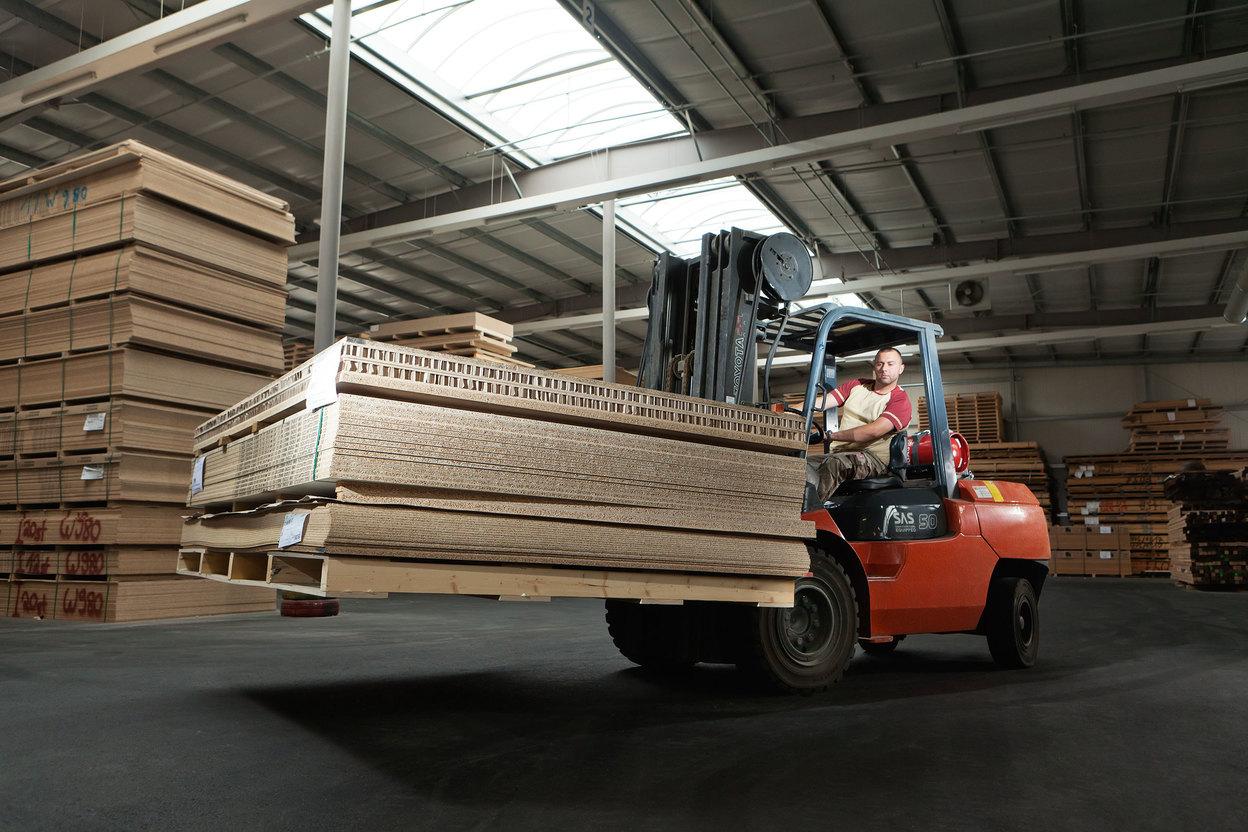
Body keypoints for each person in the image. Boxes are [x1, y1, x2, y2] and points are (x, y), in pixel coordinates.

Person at [806, 347, 913, 502]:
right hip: (839, 453)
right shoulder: (857, 386)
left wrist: (830, 436)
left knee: (836, 464)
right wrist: (787, 412)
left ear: (901, 368)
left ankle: (809, 514)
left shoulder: (899, 400)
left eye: (890, 364)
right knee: (801, 464)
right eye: (880, 364)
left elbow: (872, 432)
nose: (884, 369)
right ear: (874, 367)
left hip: (873, 459)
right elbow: (819, 403)